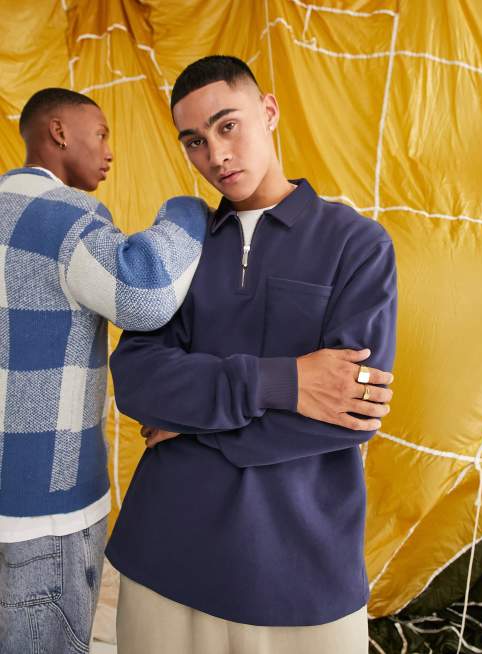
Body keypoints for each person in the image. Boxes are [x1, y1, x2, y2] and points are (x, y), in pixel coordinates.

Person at [107, 56, 397, 654]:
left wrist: (190, 426)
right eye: (195, 141)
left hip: (302, 573)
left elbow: (353, 411)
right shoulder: (178, 246)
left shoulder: (357, 244)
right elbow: (136, 380)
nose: (216, 154)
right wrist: (287, 383)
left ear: (268, 111)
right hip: (164, 555)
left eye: (228, 125)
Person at [0, 88, 208, 654]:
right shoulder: (66, 215)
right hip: (45, 511)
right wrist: (186, 209)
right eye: (101, 134)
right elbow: (145, 294)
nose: (109, 151)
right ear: (59, 132)